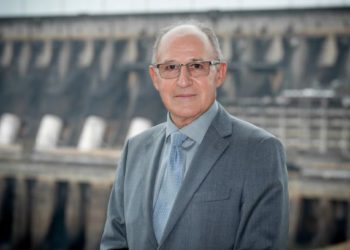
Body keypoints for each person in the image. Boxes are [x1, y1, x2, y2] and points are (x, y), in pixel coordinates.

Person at [100, 20, 289, 250]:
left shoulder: (259, 151)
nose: (183, 80)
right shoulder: (135, 149)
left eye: (196, 66)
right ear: (155, 78)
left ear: (219, 73)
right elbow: (115, 241)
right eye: (170, 67)